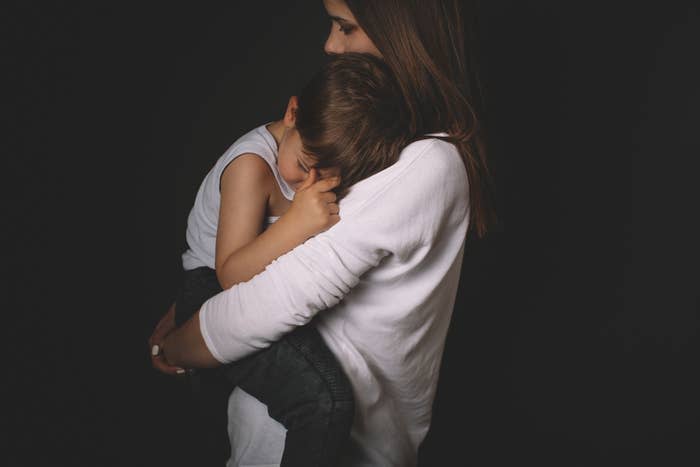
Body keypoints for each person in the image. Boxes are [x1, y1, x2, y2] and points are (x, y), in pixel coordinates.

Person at [151, 1, 495, 465]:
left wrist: (178, 344)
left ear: (405, 32)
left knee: (323, 398)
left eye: (346, 26)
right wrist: (192, 308)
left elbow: (283, 291)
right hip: (277, 425)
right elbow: (251, 265)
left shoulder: (424, 160)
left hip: (319, 433)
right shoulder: (369, 138)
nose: (330, 45)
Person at [155, 53, 414, 466]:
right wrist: (298, 222)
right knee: (322, 400)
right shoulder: (251, 166)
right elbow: (230, 274)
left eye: (332, 178)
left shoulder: (319, 152)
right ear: (293, 112)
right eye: (305, 166)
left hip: (254, 287)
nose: (309, 183)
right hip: (210, 291)